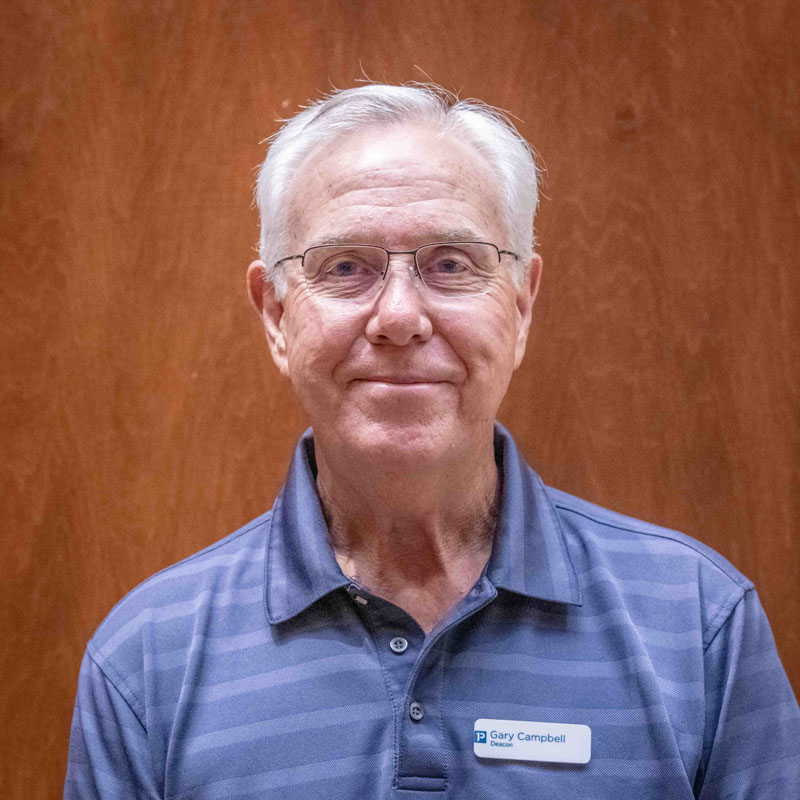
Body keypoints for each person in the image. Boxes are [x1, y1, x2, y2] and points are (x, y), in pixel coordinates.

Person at [64, 83, 799, 800]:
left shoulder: (698, 624)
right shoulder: (148, 660)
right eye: (345, 267)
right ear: (276, 316)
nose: (399, 317)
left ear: (521, 304)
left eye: (451, 264)